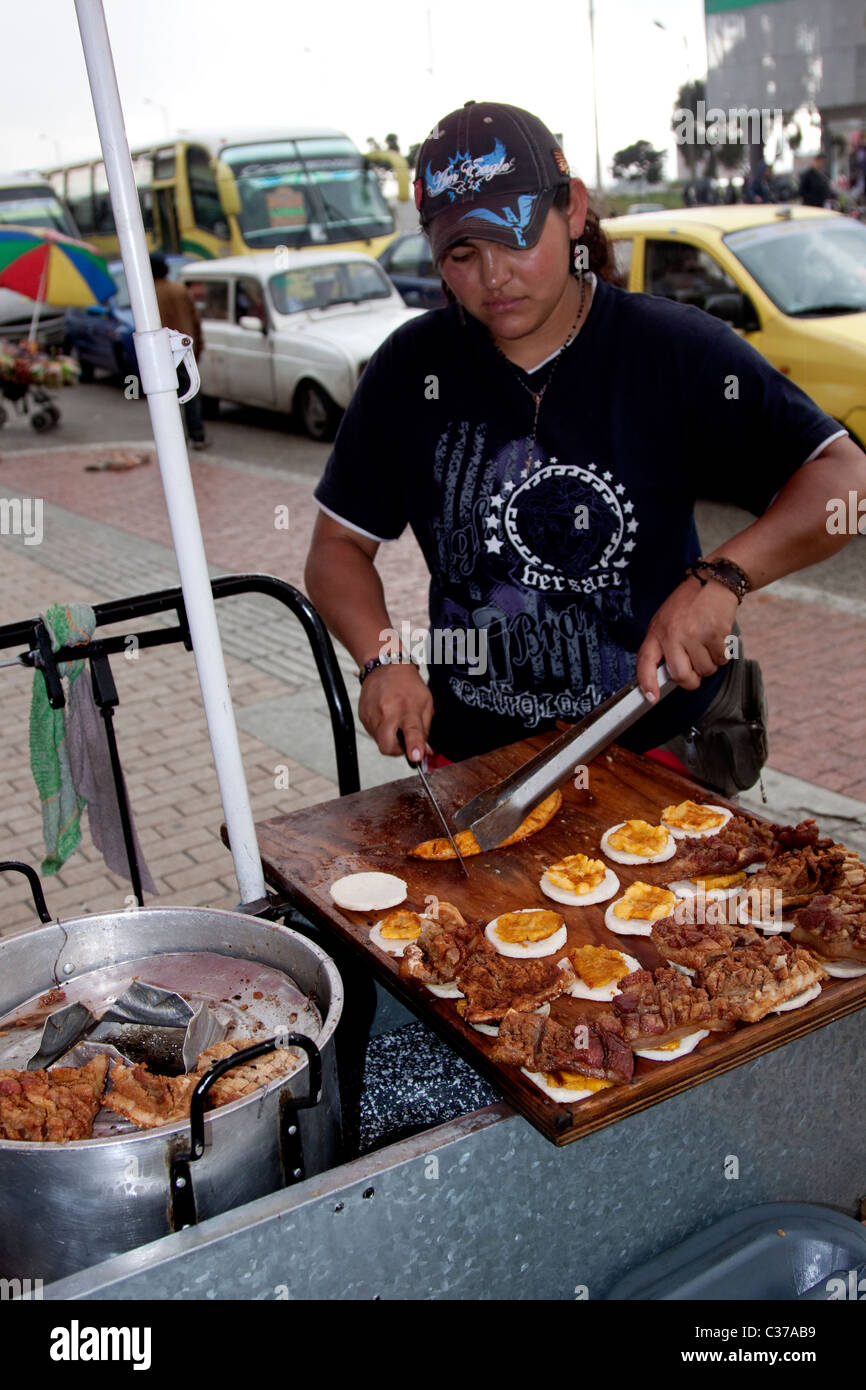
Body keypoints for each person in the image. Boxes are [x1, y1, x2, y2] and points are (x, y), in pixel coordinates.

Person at [305, 100, 866, 785]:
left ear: (571, 209)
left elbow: (845, 480)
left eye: (514, 237)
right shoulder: (408, 370)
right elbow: (337, 549)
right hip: (478, 771)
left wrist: (723, 578)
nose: (492, 276)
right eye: (461, 252)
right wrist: (381, 657)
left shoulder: (673, 351)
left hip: (658, 749)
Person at [149, 251, 208, 450]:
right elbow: (195, 321)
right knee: (190, 395)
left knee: (167, 399)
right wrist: (199, 347)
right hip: (185, 351)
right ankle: (197, 436)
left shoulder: (149, 295)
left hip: (161, 355)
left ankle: (175, 440)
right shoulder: (180, 290)